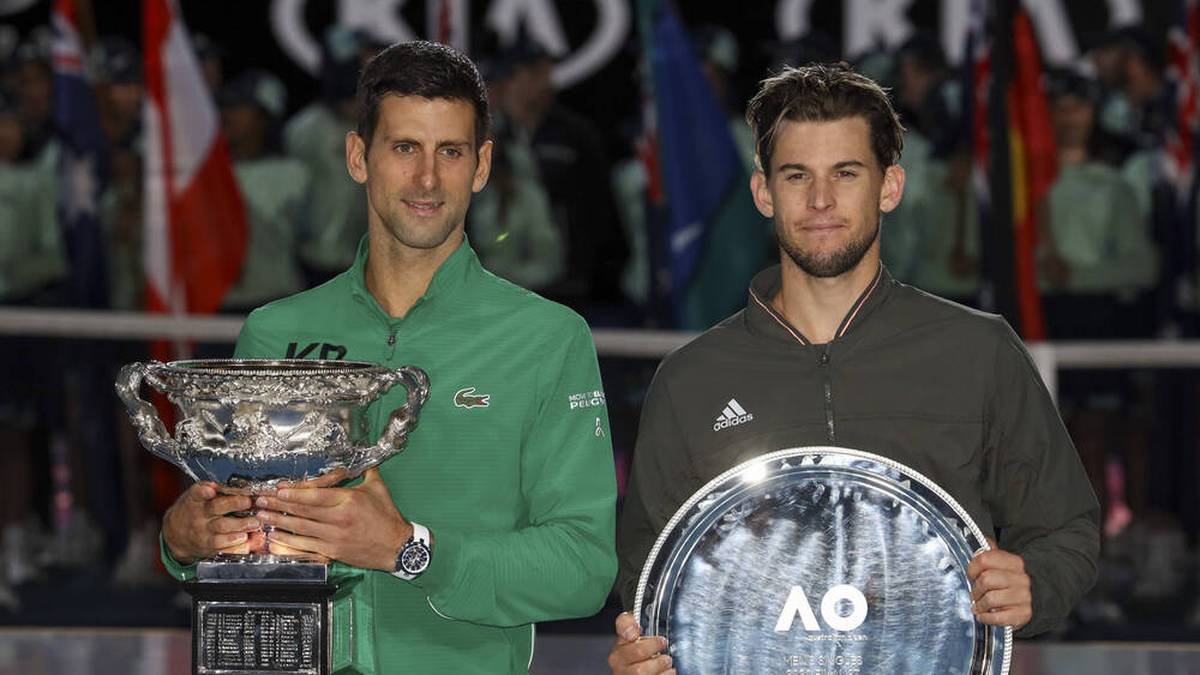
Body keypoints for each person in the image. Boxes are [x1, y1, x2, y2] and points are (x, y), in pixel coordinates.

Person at [607, 63, 1100, 674]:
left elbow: (1067, 530)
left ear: (889, 187)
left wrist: (1034, 586)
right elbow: (648, 580)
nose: (820, 200)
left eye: (846, 173)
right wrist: (643, 654)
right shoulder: (691, 378)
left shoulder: (979, 351)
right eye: (796, 176)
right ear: (763, 192)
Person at [159, 41, 618, 673]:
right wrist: (184, 539)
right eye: (404, 148)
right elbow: (238, 544)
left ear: (481, 166)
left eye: (449, 152)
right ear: (358, 156)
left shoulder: (548, 338)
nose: (427, 179)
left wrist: (410, 549)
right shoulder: (273, 334)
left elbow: (583, 567)